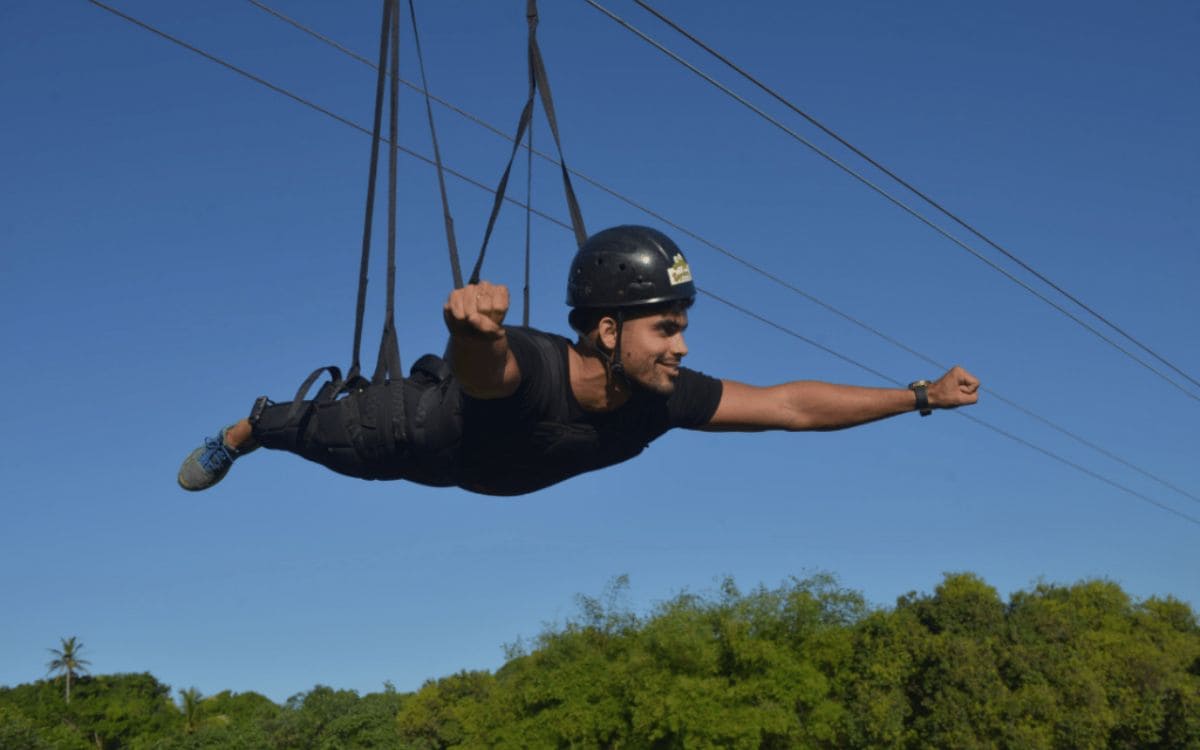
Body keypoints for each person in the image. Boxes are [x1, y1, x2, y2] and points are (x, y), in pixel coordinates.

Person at [178, 225, 980, 495]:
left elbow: (789, 406)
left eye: (680, 327)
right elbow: (494, 374)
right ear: (605, 330)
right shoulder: (532, 361)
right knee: (301, 428)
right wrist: (473, 333)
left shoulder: (665, 396)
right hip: (412, 434)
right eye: (665, 328)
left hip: (482, 474)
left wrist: (920, 397)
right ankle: (242, 432)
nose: (682, 346)